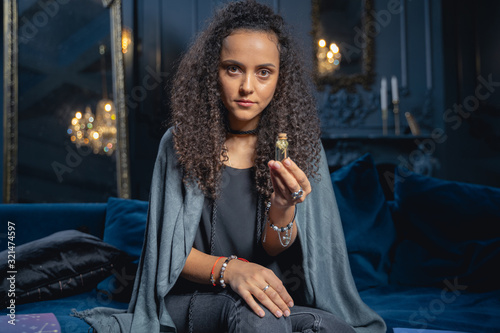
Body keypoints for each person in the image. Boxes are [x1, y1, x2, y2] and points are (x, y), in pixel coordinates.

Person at [77, 1, 386, 332]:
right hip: (193, 297)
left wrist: (282, 208)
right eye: (233, 69)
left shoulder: (300, 146)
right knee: (261, 319)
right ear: (213, 72)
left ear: (281, 79)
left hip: (270, 298)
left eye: (264, 72)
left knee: (331, 326)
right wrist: (232, 270)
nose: (247, 87)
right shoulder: (178, 143)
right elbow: (167, 253)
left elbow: (278, 252)